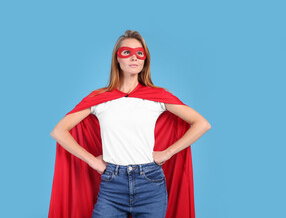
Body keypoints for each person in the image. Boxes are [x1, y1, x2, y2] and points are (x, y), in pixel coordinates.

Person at [49, 30, 211, 218]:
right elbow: (58, 131)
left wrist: (167, 153)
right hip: (112, 184)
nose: (134, 58)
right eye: (127, 52)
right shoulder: (100, 99)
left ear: (145, 60)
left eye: (139, 53)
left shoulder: (157, 97)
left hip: (150, 184)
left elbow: (202, 124)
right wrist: (93, 161)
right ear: (117, 59)